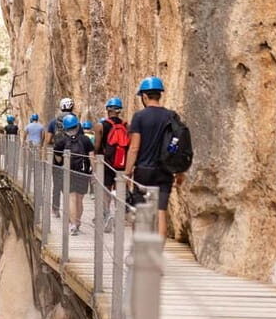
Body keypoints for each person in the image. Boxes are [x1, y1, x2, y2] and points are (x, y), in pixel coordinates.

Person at [125, 77, 186, 238]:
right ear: (160, 95)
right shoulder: (171, 116)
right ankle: (158, 253)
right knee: (161, 212)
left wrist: (127, 172)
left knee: (140, 211)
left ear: (144, 97)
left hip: (143, 171)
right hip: (164, 170)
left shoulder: (139, 117)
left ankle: (140, 252)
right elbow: (178, 144)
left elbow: (134, 147)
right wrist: (180, 171)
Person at [53, 115, 95, 235]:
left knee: (72, 198)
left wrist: (61, 162)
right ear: (77, 126)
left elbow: (57, 157)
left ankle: (72, 225)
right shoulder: (85, 140)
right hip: (83, 172)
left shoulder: (62, 141)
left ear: (65, 128)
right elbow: (91, 156)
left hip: (68, 172)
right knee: (80, 199)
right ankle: (77, 222)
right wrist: (94, 172)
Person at [96, 98, 130, 231]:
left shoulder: (101, 126)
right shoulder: (127, 126)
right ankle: (120, 216)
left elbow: (97, 146)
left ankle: (106, 214)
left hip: (107, 162)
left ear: (107, 110)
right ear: (119, 110)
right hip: (122, 163)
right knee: (120, 189)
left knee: (106, 189)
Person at [45, 97, 77, 217]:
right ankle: (70, 211)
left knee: (57, 183)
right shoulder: (76, 120)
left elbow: (48, 140)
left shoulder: (54, 122)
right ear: (72, 107)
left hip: (58, 156)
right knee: (71, 183)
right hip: (73, 155)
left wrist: (56, 143)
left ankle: (55, 209)